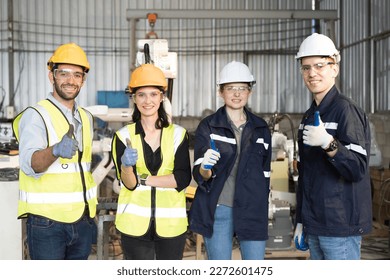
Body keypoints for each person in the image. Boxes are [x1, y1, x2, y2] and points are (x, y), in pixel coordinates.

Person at [12, 43, 97, 260]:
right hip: (47, 224)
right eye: (64, 74)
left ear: (83, 80)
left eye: (77, 75)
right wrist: (55, 150)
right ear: (52, 76)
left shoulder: (86, 118)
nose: (71, 80)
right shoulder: (36, 115)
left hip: (82, 220)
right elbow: (31, 165)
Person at [293, 33, 372, 260]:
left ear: (334, 68)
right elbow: (307, 174)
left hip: (340, 225)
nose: (312, 73)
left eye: (319, 65)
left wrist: (329, 143)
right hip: (315, 223)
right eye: (306, 67)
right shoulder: (310, 116)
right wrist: (301, 220)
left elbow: (357, 168)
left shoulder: (346, 110)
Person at [188, 61, 272, 260]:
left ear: (249, 91)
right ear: (220, 91)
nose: (236, 93)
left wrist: (263, 202)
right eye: (230, 88)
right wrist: (205, 166)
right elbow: (201, 174)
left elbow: (265, 172)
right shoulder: (208, 127)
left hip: (252, 207)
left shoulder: (260, 128)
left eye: (242, 88)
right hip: (219, 209)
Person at [111, 63, 192, 260]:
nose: (148, 101)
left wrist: (144, 180)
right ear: (134, 98)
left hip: (172, 227)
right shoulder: (123, 136)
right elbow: (128, 184)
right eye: (141, 95)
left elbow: (182, 178)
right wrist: (125, 167)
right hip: (133, 226)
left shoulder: (178, 135)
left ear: (162, 97)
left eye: (154, 94)